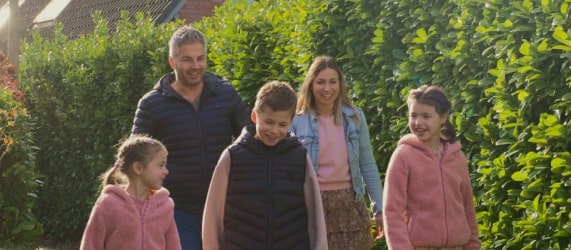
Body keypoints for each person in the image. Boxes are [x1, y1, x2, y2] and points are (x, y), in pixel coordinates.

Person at [131, 25, 251, 249]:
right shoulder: (152, 104)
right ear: (172, 61)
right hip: (176, 209)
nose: (196, 66)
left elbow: (250, 138)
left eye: (201, 58)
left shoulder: (225, 94)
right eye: (187, 59)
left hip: (223, 205)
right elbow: (135, 160)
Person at [202, 81, 327, 249]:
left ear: (291, 121)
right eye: (269, 122)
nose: (274, 130)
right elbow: (213, 216)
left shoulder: (299, 157)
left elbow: (315, 216)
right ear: (254, 116)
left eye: (282, 124)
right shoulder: (232, 157)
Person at [289, 56, 384, 249]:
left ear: (340, 84)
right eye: (321, 82)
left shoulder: (355, 117)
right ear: (311, 84)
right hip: (312, 204)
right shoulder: (296, 121)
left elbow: (367, 165)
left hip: (350, 205)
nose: (327, 88)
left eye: (333, 82)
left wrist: (380, 209)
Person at [382, 84, 480, 249]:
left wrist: (473, 244)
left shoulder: (458, 158)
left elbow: (467, 205)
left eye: (426, 116)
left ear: (443, 117)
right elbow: (392, 212)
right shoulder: (403, 156)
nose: (418, 122)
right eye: (413, 116)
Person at [80, 134, 180, 250]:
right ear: (138, 168)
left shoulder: (164, 207)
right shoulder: (108, 205)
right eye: (161, 165)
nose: (166, 171)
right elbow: (91, 245)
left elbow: (174, 246)